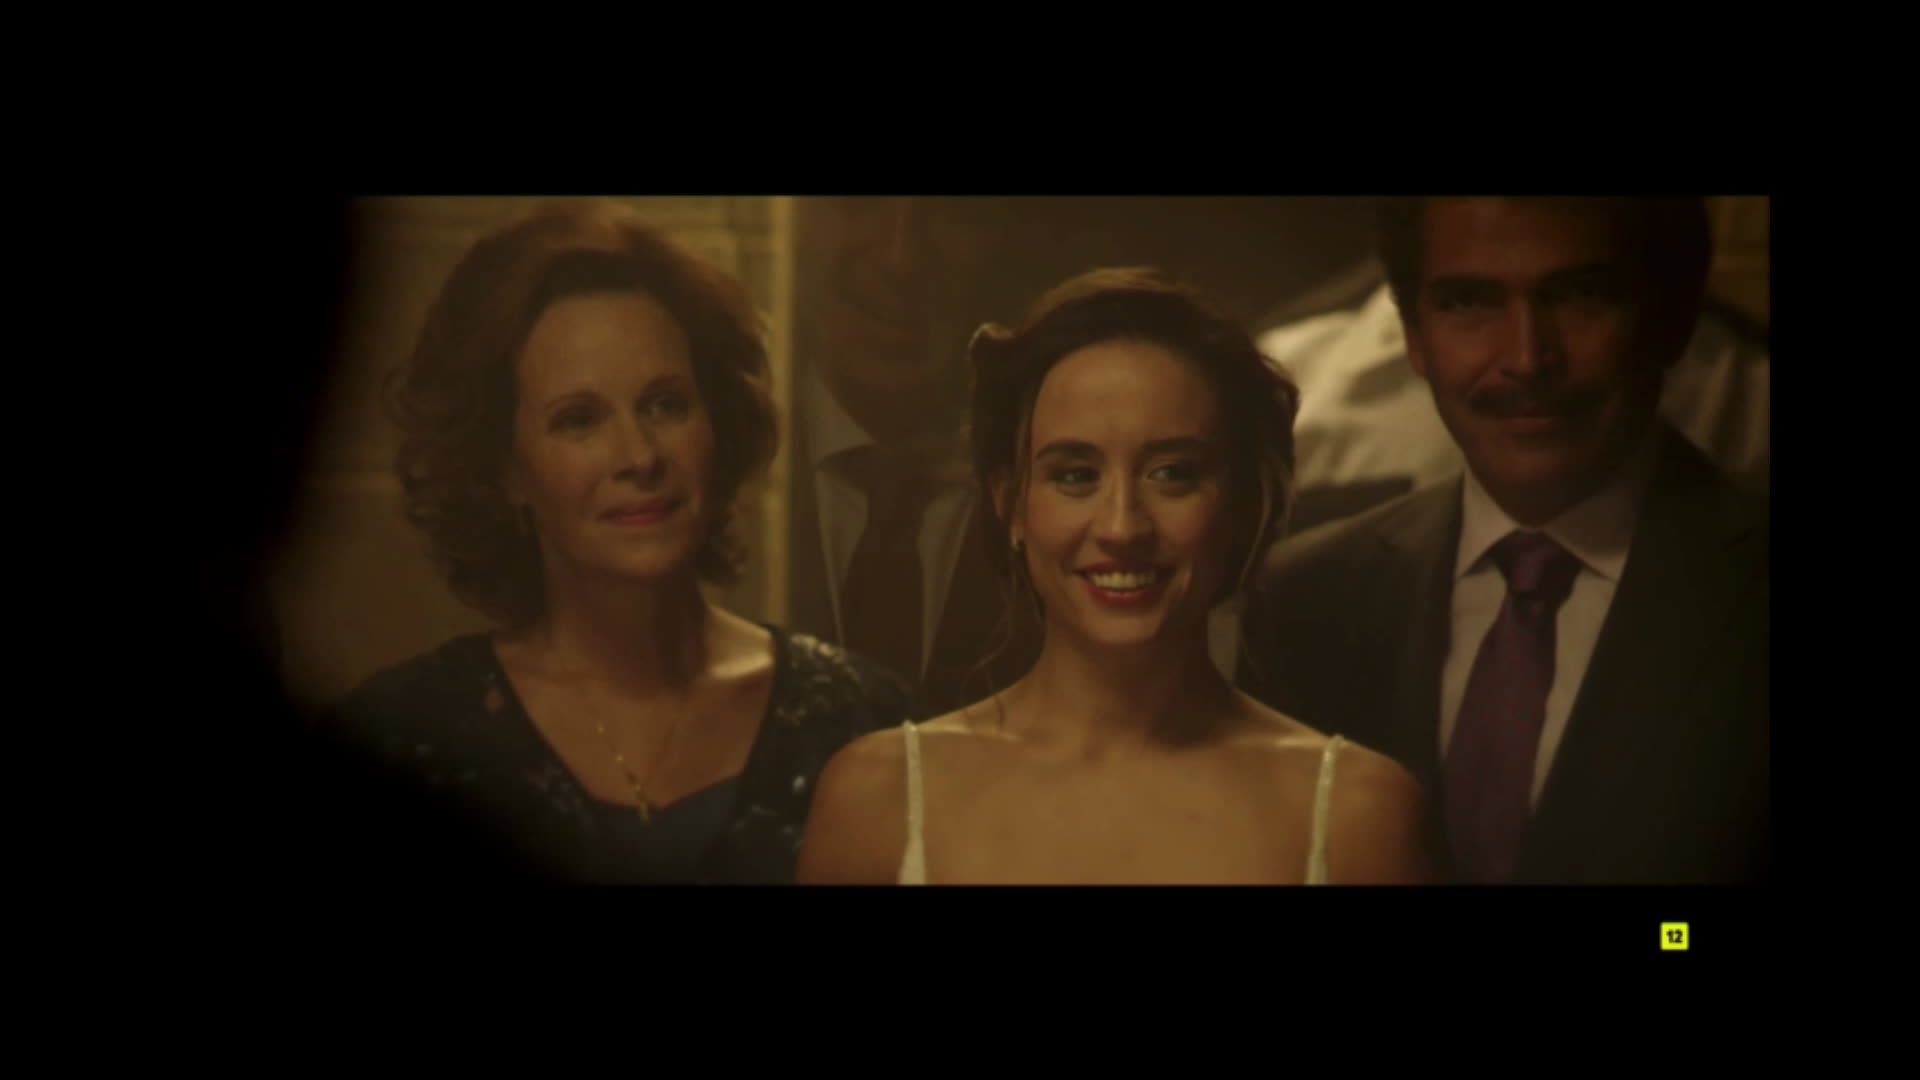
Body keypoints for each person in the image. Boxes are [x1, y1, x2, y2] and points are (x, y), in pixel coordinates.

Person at [334, 199, 911, 884]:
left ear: (717, 422)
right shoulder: (403, 738)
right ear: (505, 468)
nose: (638, 456)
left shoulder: (860, 722)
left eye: (665, 404)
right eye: (579, 420)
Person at [797, 268, 1425, 885]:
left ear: (1242, 506)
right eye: (1076, 476)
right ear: (1010, 505)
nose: (1123, 527)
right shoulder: (877, 799)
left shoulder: (1356, 814)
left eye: (1173, 474)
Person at [1238, 198, 1768, 884]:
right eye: (1469, 303)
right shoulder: (1304, 598)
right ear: (1414, 335)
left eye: (1580, 296)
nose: (1526, 358)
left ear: (1672, 319)